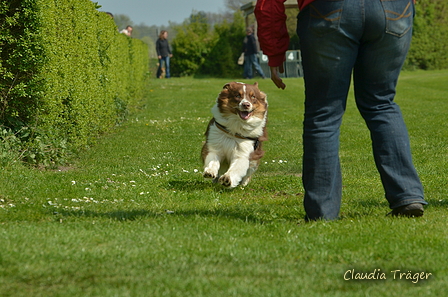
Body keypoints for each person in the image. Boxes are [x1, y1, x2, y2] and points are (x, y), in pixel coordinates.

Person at [254, 0, 428, 220]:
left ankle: (322, 212)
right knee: (381, 103)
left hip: (329, 10)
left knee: (323, 112)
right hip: (393, 8)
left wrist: (275, 52)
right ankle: (408, 196)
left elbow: (269, 3)